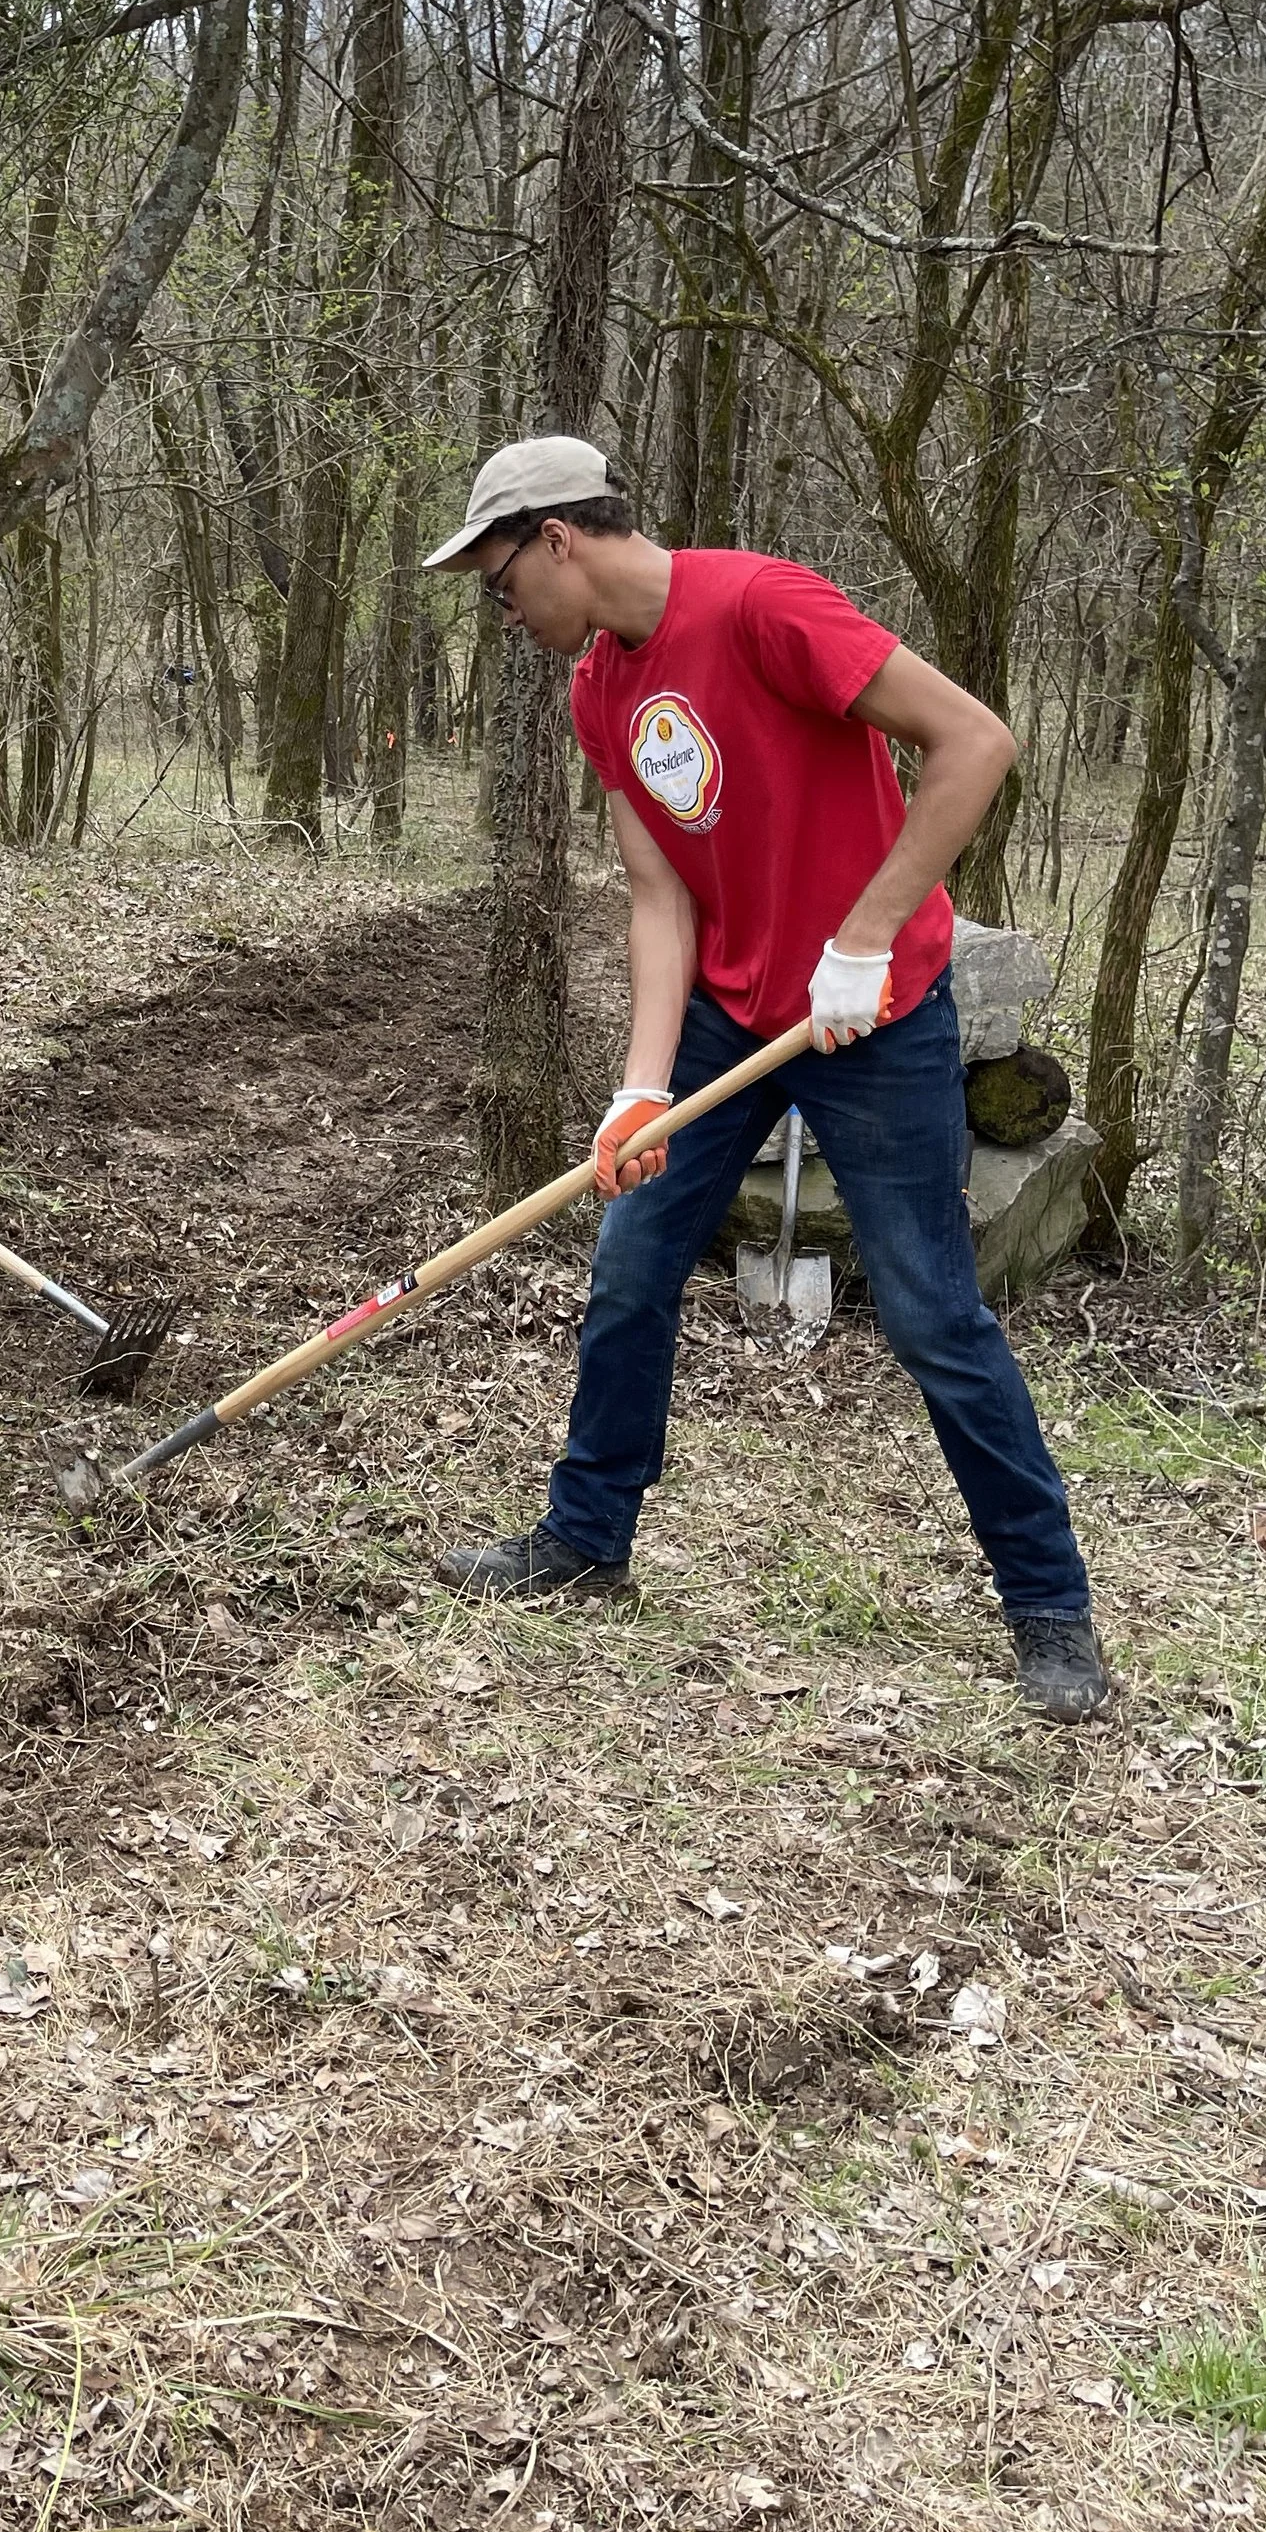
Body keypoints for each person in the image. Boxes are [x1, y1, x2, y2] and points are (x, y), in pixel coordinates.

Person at [425, 435, 1109, 1724]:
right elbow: (657, 895)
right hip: (733, 1022)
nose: (498, 607)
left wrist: (862, 940)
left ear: (559, 537)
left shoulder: (761, 605)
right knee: (630, 1267)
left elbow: (974, 743)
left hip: (875, 1018)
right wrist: (639, 1086)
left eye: (499, 575)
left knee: (929, 1317)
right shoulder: (596, 693)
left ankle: (1048, 1608)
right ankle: (586, 1540)